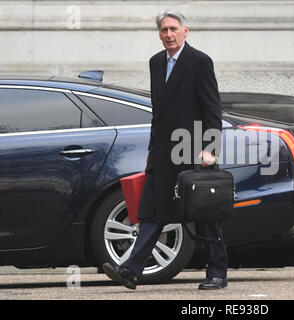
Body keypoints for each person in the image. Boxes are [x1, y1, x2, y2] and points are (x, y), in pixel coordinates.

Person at [102, 10, 228, 290]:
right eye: (163, 30)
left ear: (185, 31)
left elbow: (212, 109)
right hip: (162, 153)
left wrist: (210, 148)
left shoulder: (199, 62)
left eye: (173, 29)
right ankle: (132, 271)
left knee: (204, 214)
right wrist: (152, 149)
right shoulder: (156, 62)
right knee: (153, 211)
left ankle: (217, 272)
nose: (168, 35)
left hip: (192, 150)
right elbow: (158, 113)